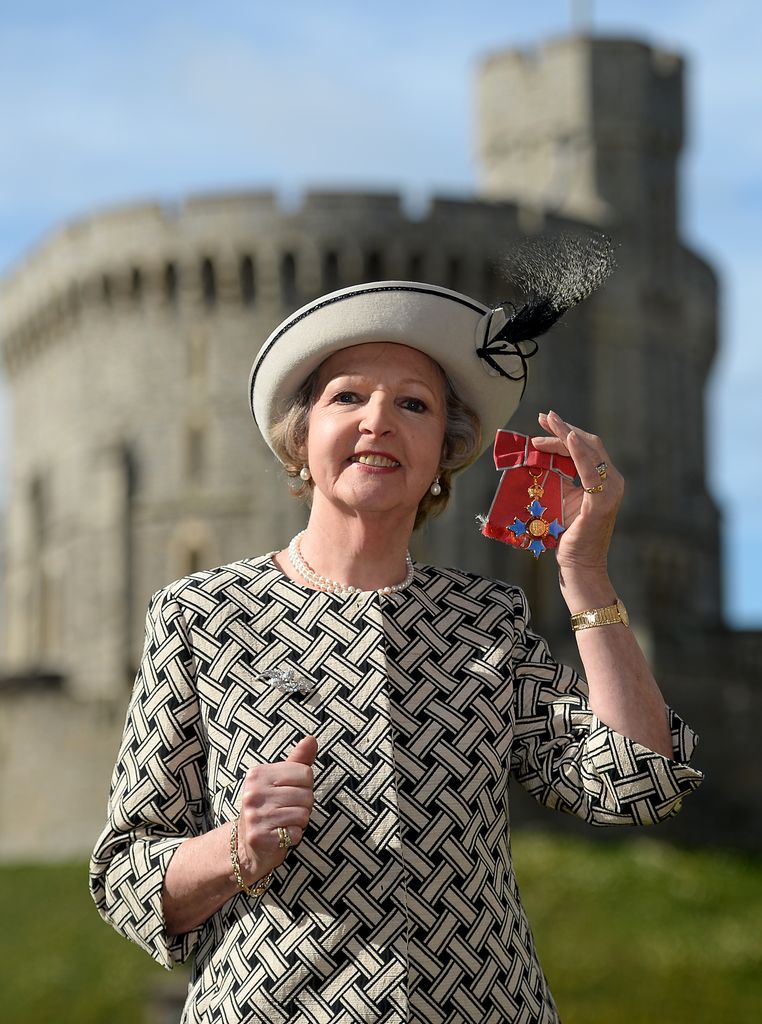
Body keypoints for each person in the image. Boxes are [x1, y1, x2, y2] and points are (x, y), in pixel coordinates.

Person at [90, 252, 703, 1024]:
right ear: (300, 436)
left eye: (413, 405)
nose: (379, 420)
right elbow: (124, 875)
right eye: (349, 397)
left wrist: (582, 572)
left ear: (443, 457)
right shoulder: (200, 616)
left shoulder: (490, 620)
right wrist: (236, 847)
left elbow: (637, 781)